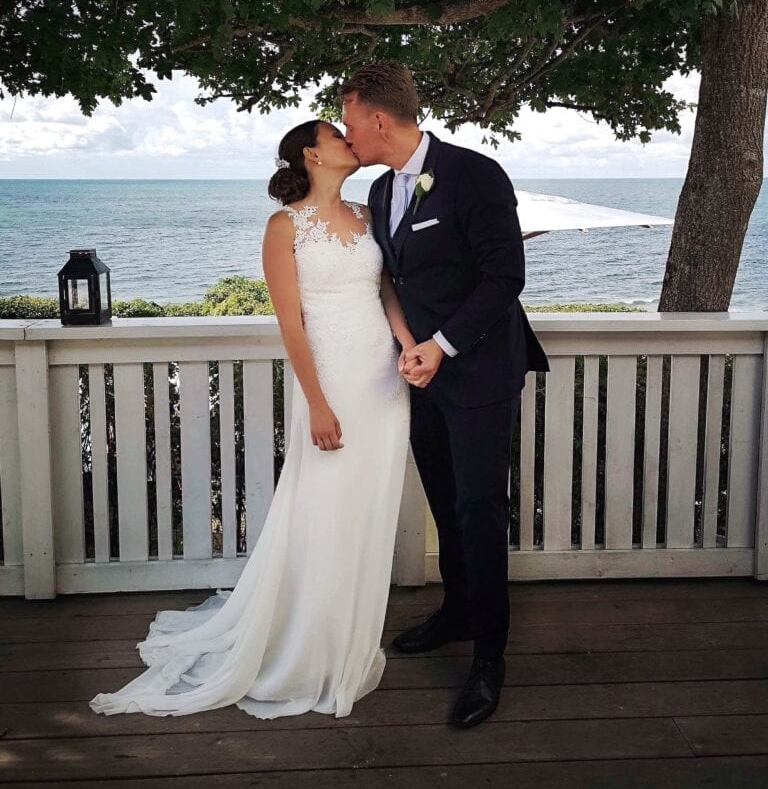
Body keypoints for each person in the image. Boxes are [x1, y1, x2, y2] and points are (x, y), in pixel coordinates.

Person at [89, 117, 416, 720]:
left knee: (368, 505)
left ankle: (350, 635)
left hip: (383, 380)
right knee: (323, 506)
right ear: (312, 155)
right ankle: (308, 646)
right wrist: (317, 402)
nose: (349, 140)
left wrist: (409, 344)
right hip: (331, 383)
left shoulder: (369, 215)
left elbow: (386, 291)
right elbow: (291, 323)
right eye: (336, 135)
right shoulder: (283, 226)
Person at [340, 60, 550, 728]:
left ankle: (489, 657)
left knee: (479, 508)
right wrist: (411, 348)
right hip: (421, 376)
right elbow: (397, 280)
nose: (346, 135)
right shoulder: (379, 191)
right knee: (443, 499)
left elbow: (504, 276)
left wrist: (443, 345)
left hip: (480, 372)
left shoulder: (474, 174)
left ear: (379, 119)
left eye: (349, 123)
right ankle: (457, 610)